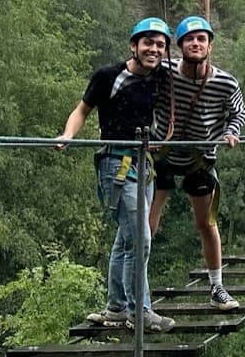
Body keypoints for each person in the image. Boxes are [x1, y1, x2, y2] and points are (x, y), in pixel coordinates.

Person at [55, 17, 177, 333]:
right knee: (141, 238)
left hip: (144, 163)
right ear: (133, 46)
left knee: (127, 237)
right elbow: (82, 109)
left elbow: (193, 73)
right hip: (116, 164)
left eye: (160, 45)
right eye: (148, 43)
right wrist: (68, 135)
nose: (154, 49)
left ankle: (116, 308)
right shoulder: (109, 76)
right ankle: (141, 311)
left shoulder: (162, 76)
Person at [149, 15, 245, 310]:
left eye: (201, 39)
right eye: (189, 39)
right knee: (147, 225)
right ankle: (136, 288)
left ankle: (217, 287)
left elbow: (238, 112)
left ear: (210, 46)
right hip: (162, 154)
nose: (195, 43)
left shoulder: (225, 82)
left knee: (205, 223)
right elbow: (140, 92)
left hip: (200, 159)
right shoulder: (163, 72)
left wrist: (232, 132)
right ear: (179, 46)